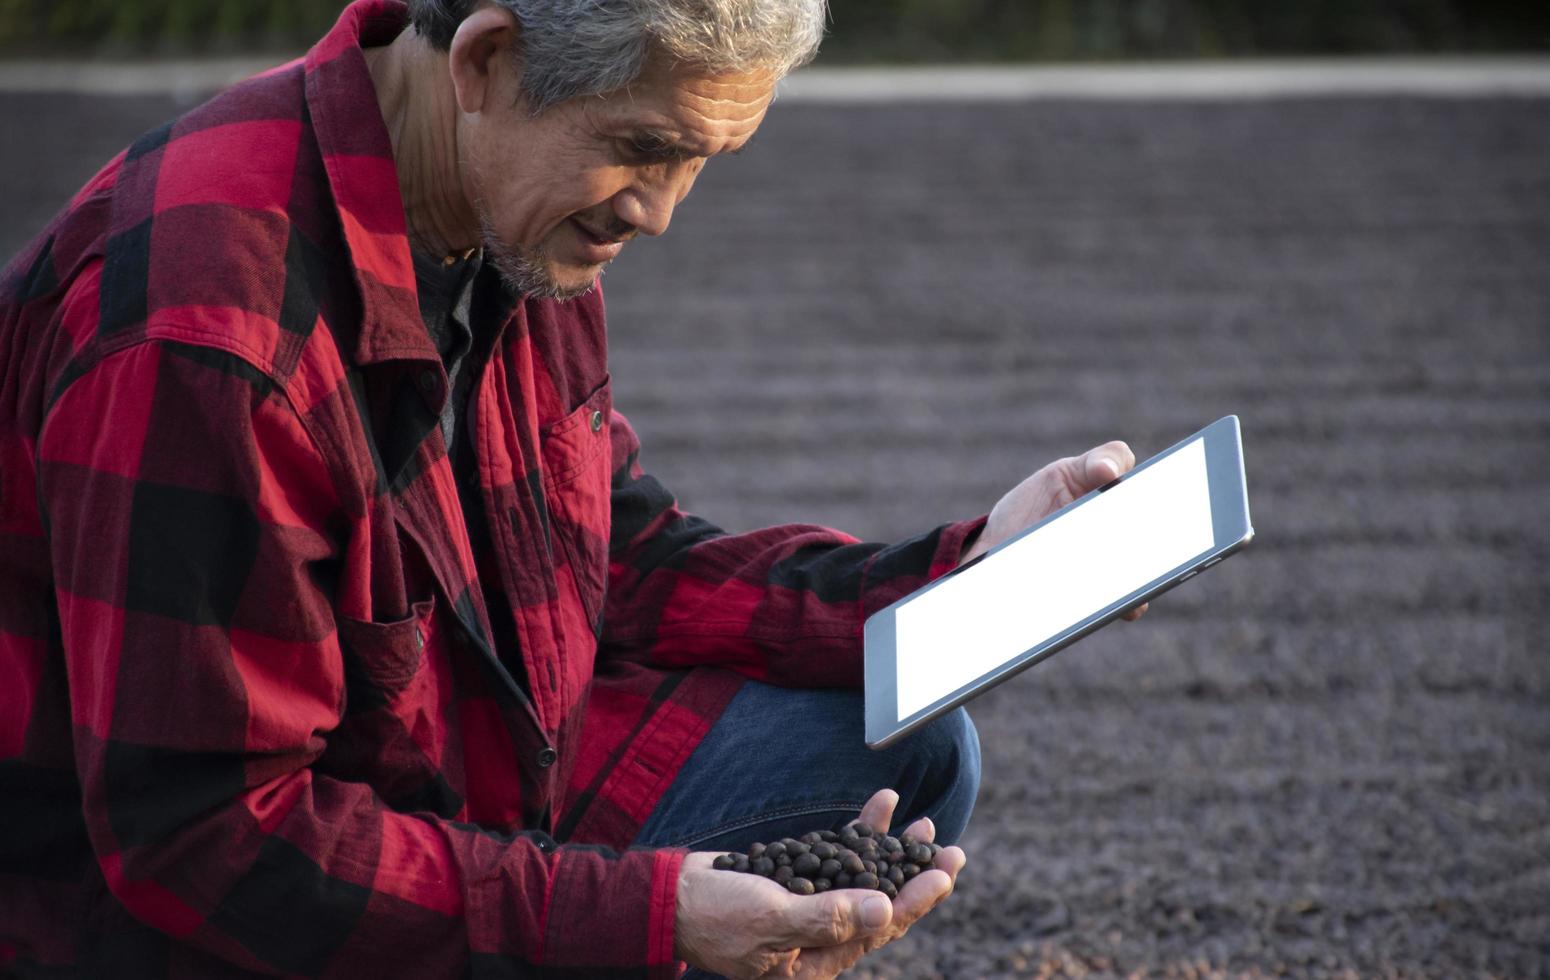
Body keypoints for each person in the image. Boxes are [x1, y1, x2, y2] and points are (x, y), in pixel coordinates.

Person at [0, 0, 1143, 976]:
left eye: (699, 159)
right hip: (181, 922)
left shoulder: (496, 215)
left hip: (451, 787)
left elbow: (615, 553)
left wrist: (961, 572)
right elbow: (204, 842)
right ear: (485, 60)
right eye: (644, 146)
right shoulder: (215, 337)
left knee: (913, 739)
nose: (658, 210)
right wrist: (645, 917)